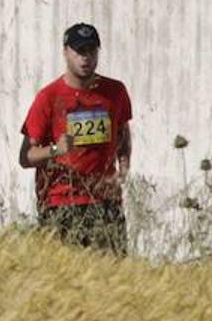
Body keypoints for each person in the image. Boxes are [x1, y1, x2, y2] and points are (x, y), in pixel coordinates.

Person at [19, 23, 132, 255]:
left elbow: (122, 133)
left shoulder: (115, 92)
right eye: (79, 51)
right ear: (65, 52)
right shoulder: (48, 97)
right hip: (61, 203)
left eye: (91, 51)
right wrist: (55, 150)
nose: (86, 58)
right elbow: (25, 157)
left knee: (115, 276)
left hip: (105, 201)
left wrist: (123, 169)